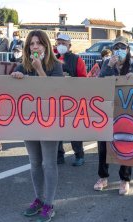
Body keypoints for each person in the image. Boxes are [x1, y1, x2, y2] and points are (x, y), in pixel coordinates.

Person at [11, 30, 64, 222]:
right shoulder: (23, 65)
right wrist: (16, 76)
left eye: (38, 43)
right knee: (34, 163)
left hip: (50, 121)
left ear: (46, 46)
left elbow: (56, 91)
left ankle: (49, 204)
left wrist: (40, 69)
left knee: (49, 163)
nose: (35, 47)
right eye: (31, 44)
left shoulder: (56, 66)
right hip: (29, 120)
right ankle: (39, 199)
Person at [94, 36, 133, 195]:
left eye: (122, 47)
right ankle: (103, 177)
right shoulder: (106, 63)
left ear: (128, 50)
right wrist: (108, 66)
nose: (119, 50)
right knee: (103, 145)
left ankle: (124, 179)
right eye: (116, 47)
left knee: (125, 145)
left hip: (127, 111)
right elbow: (100, 83)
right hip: (107, 111)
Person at [54, 33, 88, 166]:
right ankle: (58, 155)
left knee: (74, 129)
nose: (61, 45)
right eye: (59, 43)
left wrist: (70, 79)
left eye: (64, 43)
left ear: (69, 45)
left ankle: (79, 155)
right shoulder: (52, 58)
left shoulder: (77, 60)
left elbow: (83, 79)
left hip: (73, 99)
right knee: (56, 129)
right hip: (55, 99)